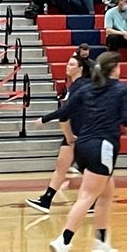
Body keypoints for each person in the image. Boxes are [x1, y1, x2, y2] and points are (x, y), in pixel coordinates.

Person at [47, 52, 127, 252]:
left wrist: (69, 137)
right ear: (114, 69)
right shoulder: (121, 89)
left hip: (82, 146)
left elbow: (64, 113)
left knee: (106, 192)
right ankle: (63, 241)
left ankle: (101, 241)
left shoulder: (85, 88)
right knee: (87, 196)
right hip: (102, 147)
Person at [25, 54, 94, 214]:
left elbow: (65, 111)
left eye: (71, 64)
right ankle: (46, 200)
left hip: (82, 131)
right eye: (67, 63)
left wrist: (44, 119)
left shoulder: (82, 85)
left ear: (80, 68)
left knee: (87, 170)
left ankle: (92, 202)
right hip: (73, 131)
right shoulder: (74, 85)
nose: (67, 66)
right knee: (62, 166)